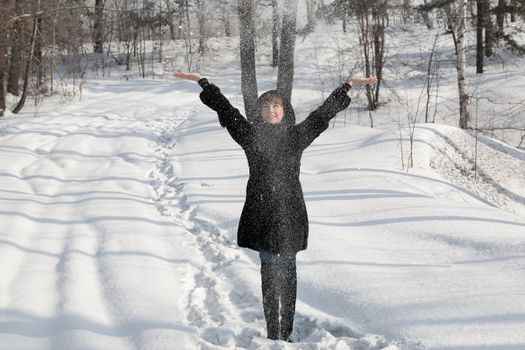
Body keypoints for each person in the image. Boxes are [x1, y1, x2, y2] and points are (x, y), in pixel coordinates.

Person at [175, 71, 377, 341]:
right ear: (259, 112)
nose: (271, 110)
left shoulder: (296, 136)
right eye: (266, 106)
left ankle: (287, 331)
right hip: (261, 214)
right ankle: (273, 333)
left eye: (276, 105)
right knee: (269, 274)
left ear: (285, 110)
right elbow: (227, 110)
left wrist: (347, 86)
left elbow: (321, 115)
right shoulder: (250, 135)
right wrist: (204, 83)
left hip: (291, 213)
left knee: (289, 274)